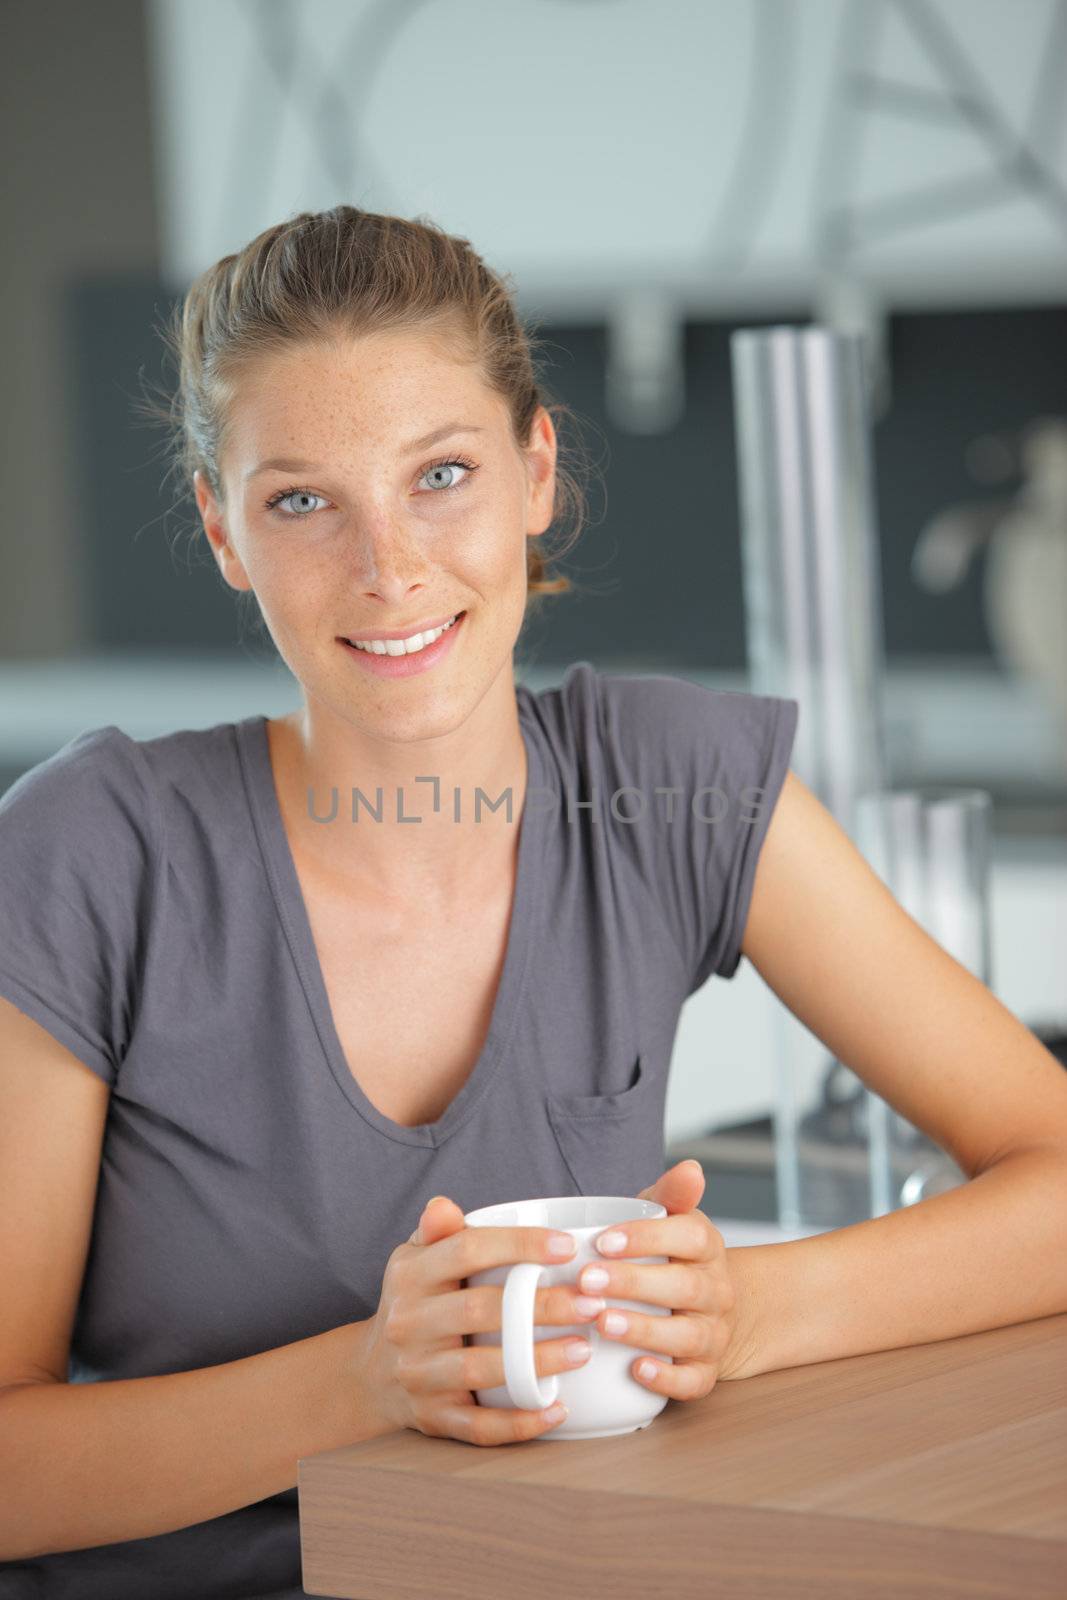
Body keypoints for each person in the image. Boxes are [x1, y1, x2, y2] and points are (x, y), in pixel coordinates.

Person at [1, 206, 1065, 1599]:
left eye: (440, 474)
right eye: (302, 500)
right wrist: (365, 1380)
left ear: (536, 466)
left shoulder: (669, 787)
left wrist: (745, 1309)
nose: (388, 566)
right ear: (221, 530)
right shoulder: (96, 854)